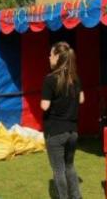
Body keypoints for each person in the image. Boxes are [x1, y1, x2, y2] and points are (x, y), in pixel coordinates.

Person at [41, 42, 84, 199]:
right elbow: (81, 99)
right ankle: (76, 197)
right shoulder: (75, 79)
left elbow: (44, 106)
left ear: (57, 57)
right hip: (72, 132)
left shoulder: (50, 79)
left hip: (56, 132)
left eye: (51, 54)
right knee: (69, 166)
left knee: (58, 170)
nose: (49, 57)